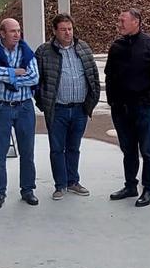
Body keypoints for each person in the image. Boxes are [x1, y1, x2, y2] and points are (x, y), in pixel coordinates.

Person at [105, 8, 150, 207]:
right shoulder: (117, 46)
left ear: (136, 21)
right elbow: (109, 75)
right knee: (128, 149)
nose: (119, 23)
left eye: (123, 20)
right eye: (118, 19)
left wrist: (148, 100)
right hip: (120, 108)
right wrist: (112, 101)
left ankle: (149, 190)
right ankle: (130, 186)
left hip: (142, 108)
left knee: (147, 150)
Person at [35, 13, 101, 200]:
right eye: (63, 29)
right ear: (54, 31)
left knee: (74, 147)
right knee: (57, 149)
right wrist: (44, 105)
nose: (67, 33)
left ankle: (73, 181)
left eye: (70, 29)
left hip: (80, 108)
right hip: (58, 110)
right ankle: (60, 185)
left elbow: (93, 77)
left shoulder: (83, 48)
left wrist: (91, 101)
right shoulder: (44, 51)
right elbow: (37, 82)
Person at [0, 18, 40, 210]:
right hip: (1, 108)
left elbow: (34, 77)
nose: (17, 35)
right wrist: (17, 72)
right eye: (13, 31)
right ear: (2, 33)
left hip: (24, 107)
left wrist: (9, 76)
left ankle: (28, 190)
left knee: (27, 151)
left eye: (18, 31)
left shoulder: (26, 51)